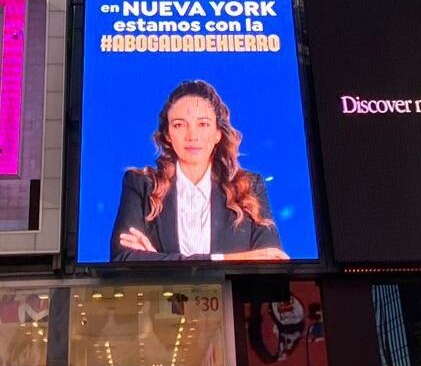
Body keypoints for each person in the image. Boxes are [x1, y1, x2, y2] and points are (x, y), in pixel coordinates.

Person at [111, 80, 289, 262]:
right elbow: (124, 258)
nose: (192, 136)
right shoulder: (141, 184)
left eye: (203, 124)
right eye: (179, 125)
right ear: (167, 135)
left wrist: (159, 260)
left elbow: (272, 261)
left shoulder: (249, 186)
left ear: (218, 133)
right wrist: (229, 259)